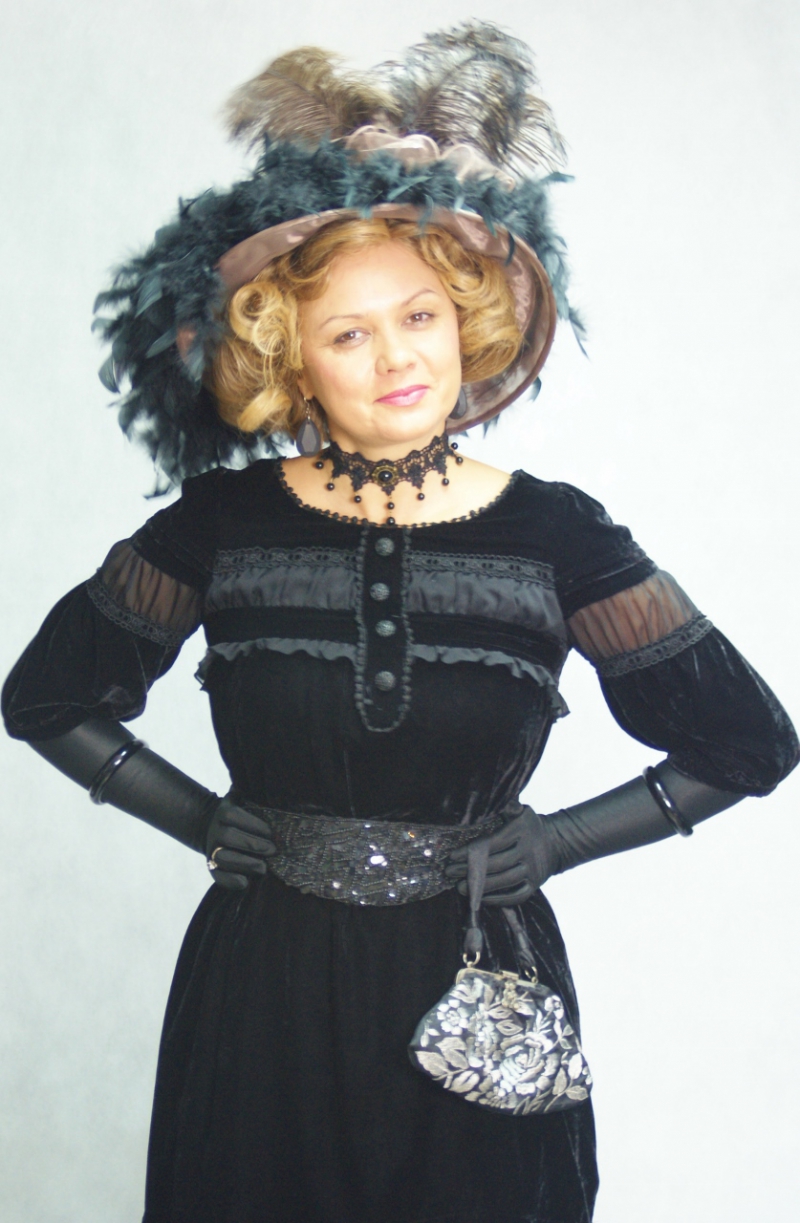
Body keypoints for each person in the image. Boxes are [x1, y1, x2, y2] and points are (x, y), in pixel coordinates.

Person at [3, 22, 797, 1223]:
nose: (395, 358)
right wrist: (202, 818)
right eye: (348, 333)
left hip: (478, 981)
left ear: (463, 320)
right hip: (262, 994)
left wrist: (558, 841)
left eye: (418, 316)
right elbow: (47, 696)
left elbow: (747, 740)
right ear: (291, 359)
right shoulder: (218, 525)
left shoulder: (556, 535)